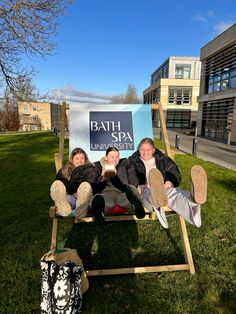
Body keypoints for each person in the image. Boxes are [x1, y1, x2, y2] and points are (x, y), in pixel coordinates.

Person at [127, 138, 207, 228]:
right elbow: (131, 173)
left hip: (163, 189)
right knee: (151, 195)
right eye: (142, 149)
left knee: (174, 194)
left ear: (153, 150)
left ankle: (193, 199)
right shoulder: (133, 161)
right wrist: (137, 185)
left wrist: (171, 181)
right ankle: (157, 198)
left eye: (148, 149)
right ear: (138, 149)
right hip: (146, 190)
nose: (145, 152)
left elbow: (174, 171)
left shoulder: (163, 159)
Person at [50, 147, 104, 221]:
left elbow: (94, 182)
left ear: (85, 159)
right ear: (72, 160)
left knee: (85, 187)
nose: (80, 161)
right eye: (77, 159)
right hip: (71, 196)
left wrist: (82, 192)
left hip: (86, 197)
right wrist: (70, 192)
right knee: (59, 185)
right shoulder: (65, 170)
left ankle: (80, 209)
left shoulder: (91, 169)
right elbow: (63, 183)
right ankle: (64, 207)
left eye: (82, 158)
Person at [93, 147, 146, 219]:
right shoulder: (98, 167)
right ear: (106, 157)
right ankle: (99, 213)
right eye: (112, 157)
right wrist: (103, 175)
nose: (115, 159)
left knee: (130, 191)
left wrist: (116, 175)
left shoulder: (124, 164)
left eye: (117, 157)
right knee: (101, 200)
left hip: (122, 192)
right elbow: (96, 187)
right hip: (106, 193)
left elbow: (132, 174)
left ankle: (136, 206)